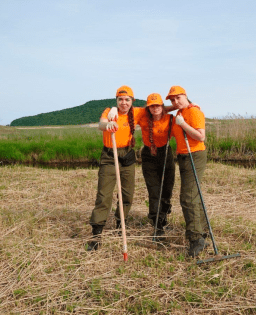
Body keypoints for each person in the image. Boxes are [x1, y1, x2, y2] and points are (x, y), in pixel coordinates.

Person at [87, 85, 145, 251]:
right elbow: (101, 124)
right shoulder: (109, 112)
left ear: (132, 101)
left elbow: (158, 109)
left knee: (127, 194)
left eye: (127, 100)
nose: (124, 103)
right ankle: (97, 234)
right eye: (120, 99)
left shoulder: (137, 112)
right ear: (116, 101)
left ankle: (121, 224)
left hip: (127, 155)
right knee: (104, 195)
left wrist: (184, 106)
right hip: (109, 155)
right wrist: (108, 125)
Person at [165, 86, 208, 257]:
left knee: (188, 197)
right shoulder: (179, 113)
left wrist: (183, 125)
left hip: (194, 154)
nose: (175, 102)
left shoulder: (194, 112)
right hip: (183, 156)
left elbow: (200, 136)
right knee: (193, 194)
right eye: (172, 100)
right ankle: (202, 231)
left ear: (185, 96)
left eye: (178, 98)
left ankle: (196, 238)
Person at [138, 93, 175, 238]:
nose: (155, 109)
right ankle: (157, 224)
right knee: (154, 190)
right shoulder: (143, 118)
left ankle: (164, 215)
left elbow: (180, 105)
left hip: (166, 153)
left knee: (167, 188)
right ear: (148, 107)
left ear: (162, 106)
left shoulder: (170, 119)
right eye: (151, 106)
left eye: (157, 105)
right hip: (149, 155)